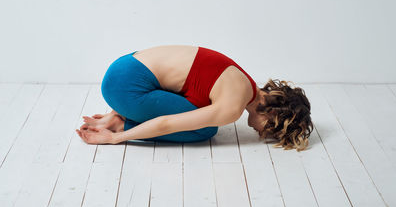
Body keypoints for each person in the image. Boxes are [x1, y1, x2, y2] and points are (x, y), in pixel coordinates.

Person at [76, 45, 313, 151]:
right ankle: (120, 121)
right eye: (273, 130)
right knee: (206, 130)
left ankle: (118, 113)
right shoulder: (233, 107)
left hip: (122, 67)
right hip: (125, 88)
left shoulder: (243, 80)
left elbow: (176, 83)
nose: (265, 135)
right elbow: (166, 123)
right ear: (272, 113)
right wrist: (117, 138)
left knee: (199, 110)